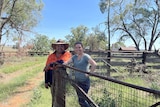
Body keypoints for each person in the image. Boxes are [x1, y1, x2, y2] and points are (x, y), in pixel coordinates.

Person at [64, 41, 97, 107]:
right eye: (76, 47)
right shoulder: (74, 57)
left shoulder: (85, 57)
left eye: (79, 47)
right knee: (82, 100)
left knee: (82, 100)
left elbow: (94, 64)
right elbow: (67, 62)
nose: (78, 49)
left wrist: (89, 74)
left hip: (84, 82)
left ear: (82, 48)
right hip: (78, 82)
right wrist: (62, 64)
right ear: (74, 49)